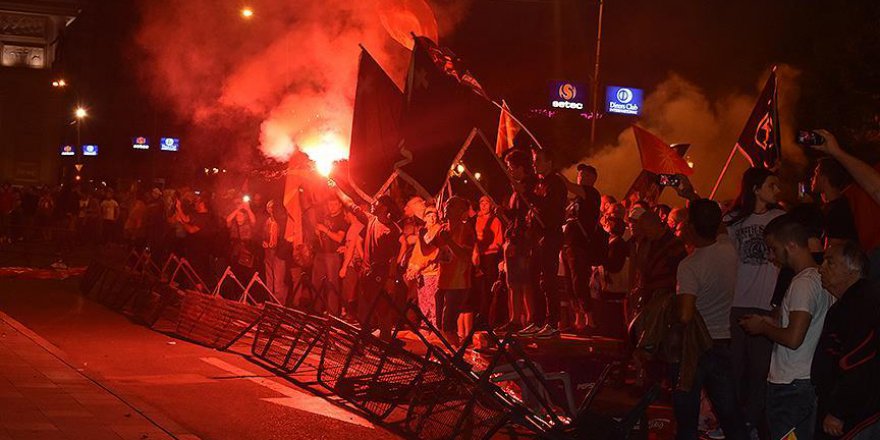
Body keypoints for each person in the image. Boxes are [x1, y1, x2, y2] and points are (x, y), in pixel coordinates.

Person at [740, 216, 834, 440]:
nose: (772, 257)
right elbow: (806, 326)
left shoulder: (803, 283)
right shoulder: (820, 278)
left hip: (792, 384)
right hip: (803, 380)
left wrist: (763, 328)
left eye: (774, 249)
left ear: (791, 245)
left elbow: (793, 338)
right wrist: (771, 323)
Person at [674, 199, 748, 440]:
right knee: (730, 413)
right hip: (722, 339)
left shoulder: (689, 265)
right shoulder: (728, 250)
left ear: (691, 227)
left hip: (694, 346)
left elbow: (685, 314)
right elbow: (721, 227)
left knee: (687, 415)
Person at [724, 167, 785, 437]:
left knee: (761, 368)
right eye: (772, 185)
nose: (777, 190)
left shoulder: (780, 219)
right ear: (756, 189)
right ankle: (732, 421)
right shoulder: (733, 220)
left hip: (766, 303)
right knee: (734, 366)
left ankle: (752, 422)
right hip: (737, 301)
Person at [812, 242, 880, 439]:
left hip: (858, 416)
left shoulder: (861, 304)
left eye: (830, 262)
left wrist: (838, 411)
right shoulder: (850, 303)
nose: (821, 268)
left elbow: (858, 363)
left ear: (853, 269)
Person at [338, 190, 402, 342]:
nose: (374, 203)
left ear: (385, 207)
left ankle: (386, 343)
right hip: (366, 274)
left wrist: (390, 280)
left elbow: (393, 258)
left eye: (378, 202)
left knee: (382, 310)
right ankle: (365, 341)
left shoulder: (392, 231)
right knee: (364, 311)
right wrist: (335, 188)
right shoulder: (370, 219)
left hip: (381, 276)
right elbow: (350, 204)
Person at [522, 148, 567, 338]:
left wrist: (528, 195)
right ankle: (537, 320)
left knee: (548, 280)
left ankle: (552, 322)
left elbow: (549, 208)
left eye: (538, 160)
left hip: (550, 235)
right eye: (534, 160)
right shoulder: (538, 183)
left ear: (549, 162)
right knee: (534, 279)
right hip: (537, 237)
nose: (535, 164)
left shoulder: (556, 183)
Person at [498, 149, 537, 334]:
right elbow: (514, 216)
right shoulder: (517, 190)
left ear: (521, 167)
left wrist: (514, 240)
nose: (509, 170)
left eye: (511, 166)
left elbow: (524, 218)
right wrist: (503, 212)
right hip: (513, 238)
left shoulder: (528, 188)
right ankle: (515, 318)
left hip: (521, 241)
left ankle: (527, 319)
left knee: (523, 282)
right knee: (513, 282)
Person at [561, 164, 603, 332]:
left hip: (579, 246)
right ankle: (578, 321)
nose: (581, 177)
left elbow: (568, 185)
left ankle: (590, 321)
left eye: (585, 175)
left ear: (593, 179)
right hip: (568, 245)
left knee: (579, 282)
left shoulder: (591, 193)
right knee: (569, 284)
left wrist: (556, 175)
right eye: (579, 175)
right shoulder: (576, 200)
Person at [433, 196, 477, 346]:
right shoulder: (442, 229)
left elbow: (465, 256)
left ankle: (455, 353)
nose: (446, 207)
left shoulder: (466, 230)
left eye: (451, 205)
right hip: (442, 282)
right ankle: (451, 351)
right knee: (440, 325)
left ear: (461, 211)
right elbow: (434, 251)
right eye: (447, 204)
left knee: (448, 325)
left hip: (458, 283)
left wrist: (449, 241)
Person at [312, 197, 348, 316]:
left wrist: (324, 229)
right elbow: (320, 234)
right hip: (321, 253)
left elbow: (339, 238)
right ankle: (317, 311)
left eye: (334, 204)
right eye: (330, 204)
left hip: (333, 255)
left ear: (340, 205)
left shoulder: (342, 220)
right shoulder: (326, 216)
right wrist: (317, 232)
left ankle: (332, 314)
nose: (331, 207)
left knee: (332, 284)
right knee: (316, 283)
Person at [811, 157, 859, 246]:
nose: (812, 178)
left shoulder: (839, 210)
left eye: (816, 173)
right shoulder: (830, 207)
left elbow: (833, 247)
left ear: (824, 178)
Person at [407, 206, 441, 326]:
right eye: (429, 215)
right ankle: (426, 325)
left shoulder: (438, 230)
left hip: (432, 272)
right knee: (423, 301)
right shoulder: (424, 231)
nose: (432, 218)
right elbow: (417, 251)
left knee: (433, 301)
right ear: (425, 217)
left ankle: (435, 326)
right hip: (421, 273)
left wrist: (418, 267)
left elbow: (433, 253)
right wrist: (411, 266)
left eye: (434, 216)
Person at [473, 196, 503, 327]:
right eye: (481, 202)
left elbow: (499, 242)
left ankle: (488, 318)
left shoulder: (495, 221)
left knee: (488, 288)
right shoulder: (476, 220)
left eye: (487, 203)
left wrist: (486, 248)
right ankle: (478, 317)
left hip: (489, 258)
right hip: (476, 258)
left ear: (491, 205)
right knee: (478, 288)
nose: (484, 205)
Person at [339, 204, 366, 320]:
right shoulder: (354, 227)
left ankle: (350, 315)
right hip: (352, 263)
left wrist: (344, 267)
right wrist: (344, 248)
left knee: (351, 291)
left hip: (352, 264)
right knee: (350, 289)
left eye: (345, 215)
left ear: (350, 214)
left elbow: (352, 248)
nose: (344, 217)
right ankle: (349, 314)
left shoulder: (357, 227)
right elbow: (350, 246)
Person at [262, 200, 290, 306]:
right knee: (269, 279)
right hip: (268, 252)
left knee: (278, 280)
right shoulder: (267, 221)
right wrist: (263, 241)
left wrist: (280, 251)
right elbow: (262, 235)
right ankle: (270, 302)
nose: (270, 210)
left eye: (272, 208)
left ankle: (279, 304)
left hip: (278, 252)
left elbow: (285, 238)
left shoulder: (282, 221)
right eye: (268, 207)